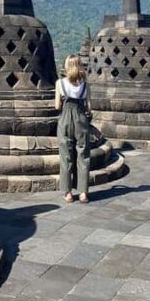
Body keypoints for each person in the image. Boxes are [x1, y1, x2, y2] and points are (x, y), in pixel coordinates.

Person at [55, 54, 91, 203]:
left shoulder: (60, 83)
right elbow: (89, 108)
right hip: (81, 118)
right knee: (83, 156)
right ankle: (83, 192)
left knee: (66, 156)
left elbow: (57, 106)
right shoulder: (85, 84)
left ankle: (68, 192)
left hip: (65, 119)